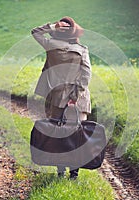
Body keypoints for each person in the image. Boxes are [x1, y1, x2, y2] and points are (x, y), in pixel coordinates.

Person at [31, 16, 91, 180]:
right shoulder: (82, 50)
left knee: (58, 135)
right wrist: (75, 96)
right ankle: (74, 174)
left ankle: (60, 172)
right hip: (79, 100)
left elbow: (35, 32)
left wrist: (52, 26)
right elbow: (86, 75)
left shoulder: (50, 45)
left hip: (56, 97)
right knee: (77, 136)